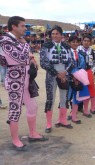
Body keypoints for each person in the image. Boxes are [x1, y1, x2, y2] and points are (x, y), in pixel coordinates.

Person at [0, 16, 48, 151]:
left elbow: (27, 56)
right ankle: (15, 140)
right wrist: (26, 46)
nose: (25, 29)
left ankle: (32, 133)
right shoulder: (5, 40)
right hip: (15, 79)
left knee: (32, 106)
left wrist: (30, 56)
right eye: (22, 26)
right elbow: (20, 58)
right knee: (15, 109)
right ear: (14, 27)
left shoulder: (15, 40)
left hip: (25, 78)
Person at [40, 25, 74, 133]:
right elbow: (43, 62)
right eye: (53, 34)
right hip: (52, 75)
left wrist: (65, 72)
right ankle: (49, 123)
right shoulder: (46, 46)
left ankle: (62, 120)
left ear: (61, 35)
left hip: (64, 74)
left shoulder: (66, 46)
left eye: (57, 34)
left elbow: (72, 62)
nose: (54, 36)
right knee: (51, 98)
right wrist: (57, 73)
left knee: (64, 98)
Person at [77, 35, 95, 117]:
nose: (86, 42)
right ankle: (74, 111)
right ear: (82, 41)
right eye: (85, 40)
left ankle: (86, 110)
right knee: (77, 92)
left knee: (88, 92)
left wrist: (91, 71)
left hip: (89, 72)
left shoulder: (93, 51)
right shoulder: (77, 50)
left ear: (90, 42)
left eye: (88, 41)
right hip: (79, 73)